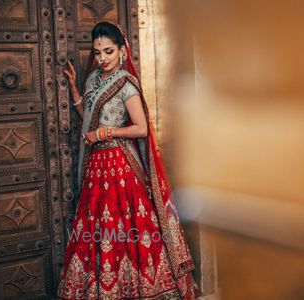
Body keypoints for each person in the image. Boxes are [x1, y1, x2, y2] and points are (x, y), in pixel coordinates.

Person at [56, 22, 199, 299]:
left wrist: (105, 133)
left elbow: (141, 128)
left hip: (121, 168)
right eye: (97, 53)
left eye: (108, 51)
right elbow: (88, 115)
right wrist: (75, 89)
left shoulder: (126, 84)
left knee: (125, 228)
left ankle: (141, 288)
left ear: (122, 50)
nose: (103, 58)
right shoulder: (93, 79)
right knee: (98, 230)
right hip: (96, 169)